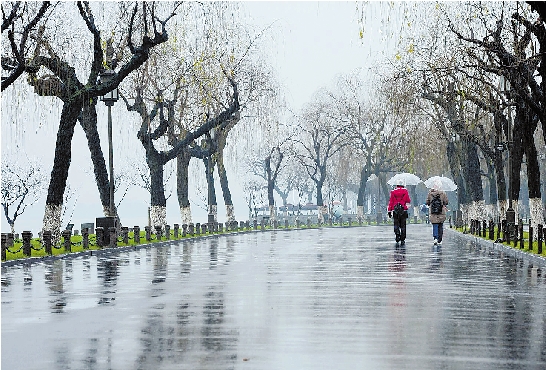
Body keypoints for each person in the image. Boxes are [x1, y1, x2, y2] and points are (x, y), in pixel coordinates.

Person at [387, 179, 411, 245]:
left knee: (396, 223)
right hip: (403, 210)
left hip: (395, 210)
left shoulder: (393, 192)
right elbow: (408, 200)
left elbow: (391, 202)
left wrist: (389, 211)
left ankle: (397, 234)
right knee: (403, 224)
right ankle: (403, 238)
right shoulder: (405, 191)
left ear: (397, 184)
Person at [426, 181, 449, 245]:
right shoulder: (443, 193)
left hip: (433, 212)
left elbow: (427, 202)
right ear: (440, 186)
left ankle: (435, 238)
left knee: (435, 225)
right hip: (441, 212)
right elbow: (446, 202)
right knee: (440, 226)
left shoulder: (430, 193)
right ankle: (440, 239)